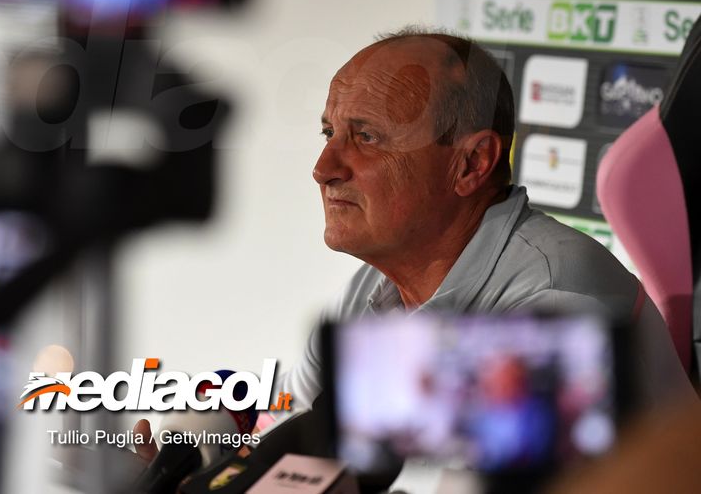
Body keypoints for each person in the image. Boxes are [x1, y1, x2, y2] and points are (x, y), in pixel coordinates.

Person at [284, 27, 691, 410]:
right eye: (329, 134)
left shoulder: (556, 305)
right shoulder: (378, 282)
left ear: (472, 164)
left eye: (367, 137)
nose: (323, 169)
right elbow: (291, 415)